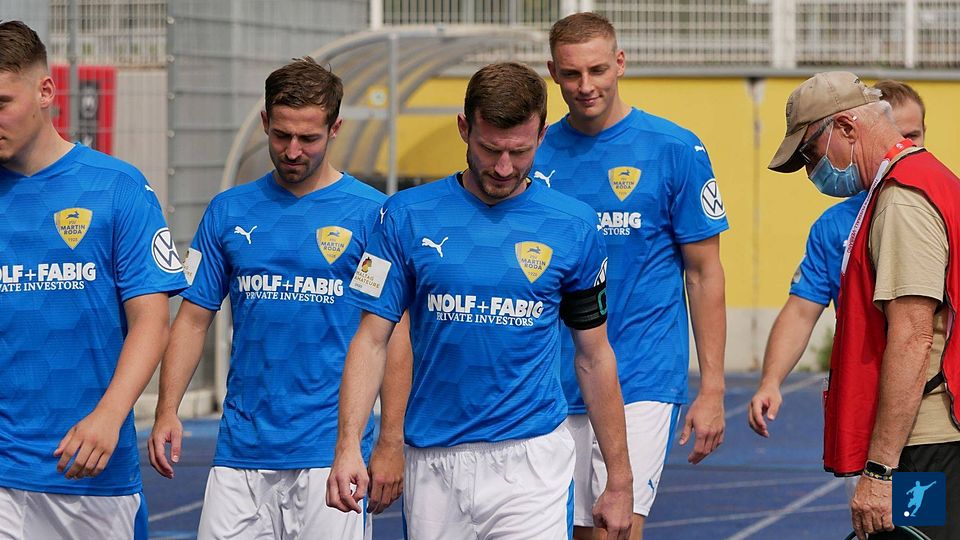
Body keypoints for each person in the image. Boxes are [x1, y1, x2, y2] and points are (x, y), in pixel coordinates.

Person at [326, 61, 633, 540]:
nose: (504, 167)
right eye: (490, 150)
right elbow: (371, 339)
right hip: (434, 460)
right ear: (464, 128)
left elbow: (594, 356)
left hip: (532, 460)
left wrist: (619, 479)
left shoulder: (574, 226)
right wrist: (349, 446)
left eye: (520, 151)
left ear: (542, 135)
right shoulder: (403, 216)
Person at [147, 57, 408, 540]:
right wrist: (167, 409)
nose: (292, 151)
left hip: (332, 454)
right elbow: (192, 320)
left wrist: (390, 440)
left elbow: (392, 336)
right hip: (240, 451)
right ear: (265, 121)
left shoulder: (374, 216)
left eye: (308, 138)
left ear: (334, 129)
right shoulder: (228, 211)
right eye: (281, 135)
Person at [531, 12, 728, 539]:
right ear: (552, 73)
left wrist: (711, 387)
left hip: (642, 373)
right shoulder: (532, 152)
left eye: (597, 70)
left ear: (620, 63)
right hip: (552, 377)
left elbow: (704, 273)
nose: (585, 86)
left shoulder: (676, 149)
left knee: (614, 526)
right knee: (567, 530)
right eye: (571, 74)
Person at [0, 20, 187, 539]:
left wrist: (110, 415)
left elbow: (152, 321)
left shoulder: (117, 187)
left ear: (45, 92)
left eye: (2, 102)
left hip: (89, 473)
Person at [768, 71, 960, 540]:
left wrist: (879, 471)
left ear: (847, 128)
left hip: (926, 439)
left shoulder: (902, 199)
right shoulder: (931, 180)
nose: (812, 171)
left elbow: (913, 337)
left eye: (812, 153)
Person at [748, 80, 927, 441]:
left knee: (918, 482)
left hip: (929, 406)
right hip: (863, 402)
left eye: (914, 135)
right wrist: (770, 380)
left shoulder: (937, 205)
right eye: (898, 134)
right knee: (865, 481)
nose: (905, 145)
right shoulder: (833, 227)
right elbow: (801, 311)